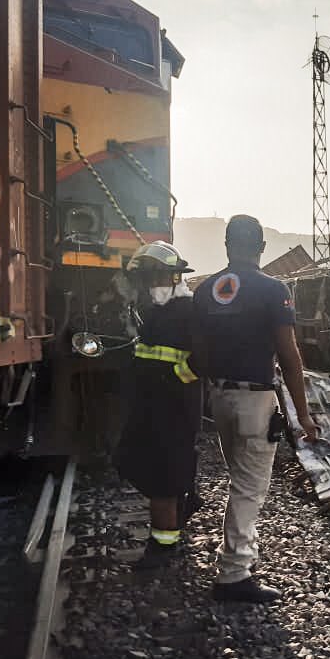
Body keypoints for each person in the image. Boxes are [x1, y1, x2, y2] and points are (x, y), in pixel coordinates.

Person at [192, 215, 320, 603]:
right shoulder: (272, 289)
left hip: (220, 397)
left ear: (227, 245)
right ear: (262, 248)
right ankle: (233, 574)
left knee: (239, 479)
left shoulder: (205, 290)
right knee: (249, 488)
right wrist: (303, 413)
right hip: (254, 398)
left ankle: (240, 558)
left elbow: (197, 353)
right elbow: (289, 355)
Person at [113, 241, 202, 568]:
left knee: (163, 479)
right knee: (133, 461)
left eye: (159, 278)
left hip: (174, 408)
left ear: (176, 278)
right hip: (152, 406)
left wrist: (176, 379)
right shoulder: (156, 312)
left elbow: (205, 358)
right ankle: (183, 502)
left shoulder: (189, 312)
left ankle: (163, 546)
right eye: (148, 279)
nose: (153, 286)